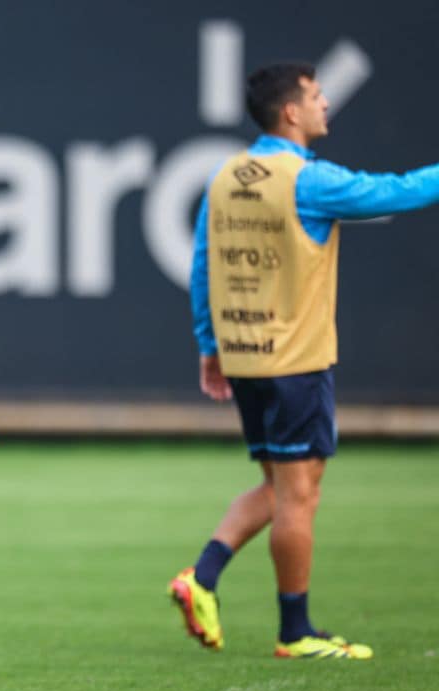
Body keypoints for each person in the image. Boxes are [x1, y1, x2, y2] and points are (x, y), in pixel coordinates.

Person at [170, 62, 439, 660]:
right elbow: (395, 191)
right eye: (317, 97)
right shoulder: (307, 180)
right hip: (295, 360)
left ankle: (203, 577)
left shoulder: (225, 175)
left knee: (280, 483)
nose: (325, 106)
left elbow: (201, 266)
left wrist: (209, 345)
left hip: (245, 355)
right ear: (290, 111)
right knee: (299, 495)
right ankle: (296, 632)